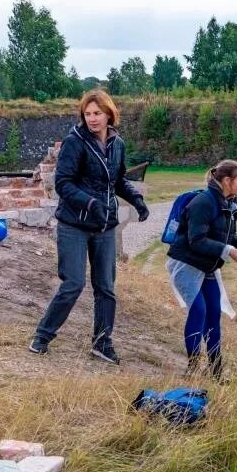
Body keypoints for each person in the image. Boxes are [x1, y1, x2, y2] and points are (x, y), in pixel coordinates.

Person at [31, 89, 149, 364]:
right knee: (73, 284)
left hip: (105, 225)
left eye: (97, 113)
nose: (92, 118)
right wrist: (89, 203)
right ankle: (43, 335)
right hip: (74, 223)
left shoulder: (117, 143)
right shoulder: (75, 142)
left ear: (109, 113)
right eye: (87, 113)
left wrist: (137, 200)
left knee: (106, 287)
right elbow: (63, 184)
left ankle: (102, 343)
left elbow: (118, 180)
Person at [166, 160, 237, 380]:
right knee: (199, 311)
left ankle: (216, 371)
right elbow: (196, 240)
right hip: (186, 265)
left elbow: (227, 236)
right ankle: (193, 367)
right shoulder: (203, 203)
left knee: (214, 315)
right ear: (227, 181)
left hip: (207, 265)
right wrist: (227, 251)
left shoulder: (230, 202)